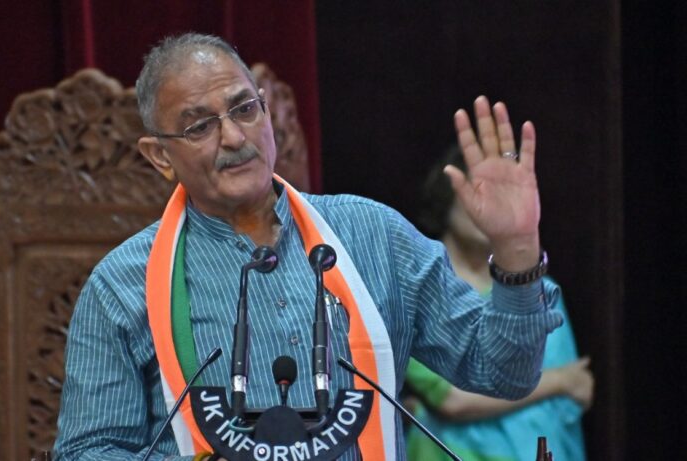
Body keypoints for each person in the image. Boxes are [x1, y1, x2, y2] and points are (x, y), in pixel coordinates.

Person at [53, 32, 563, 461]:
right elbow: (87, 452)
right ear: (160, 156)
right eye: (200, 126)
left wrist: (517, 245)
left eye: (243, 109)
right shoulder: (122, 286)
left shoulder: (373, 235)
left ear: (265, 109)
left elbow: (505, 371)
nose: (233, 137)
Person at [403, 147, 594, 461]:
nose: (488, 204)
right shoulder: (418, 289)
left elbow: (569, 404)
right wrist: (559, 381)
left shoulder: (540, 291)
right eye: (479, 189)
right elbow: (452, 401)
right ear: (448, 194)